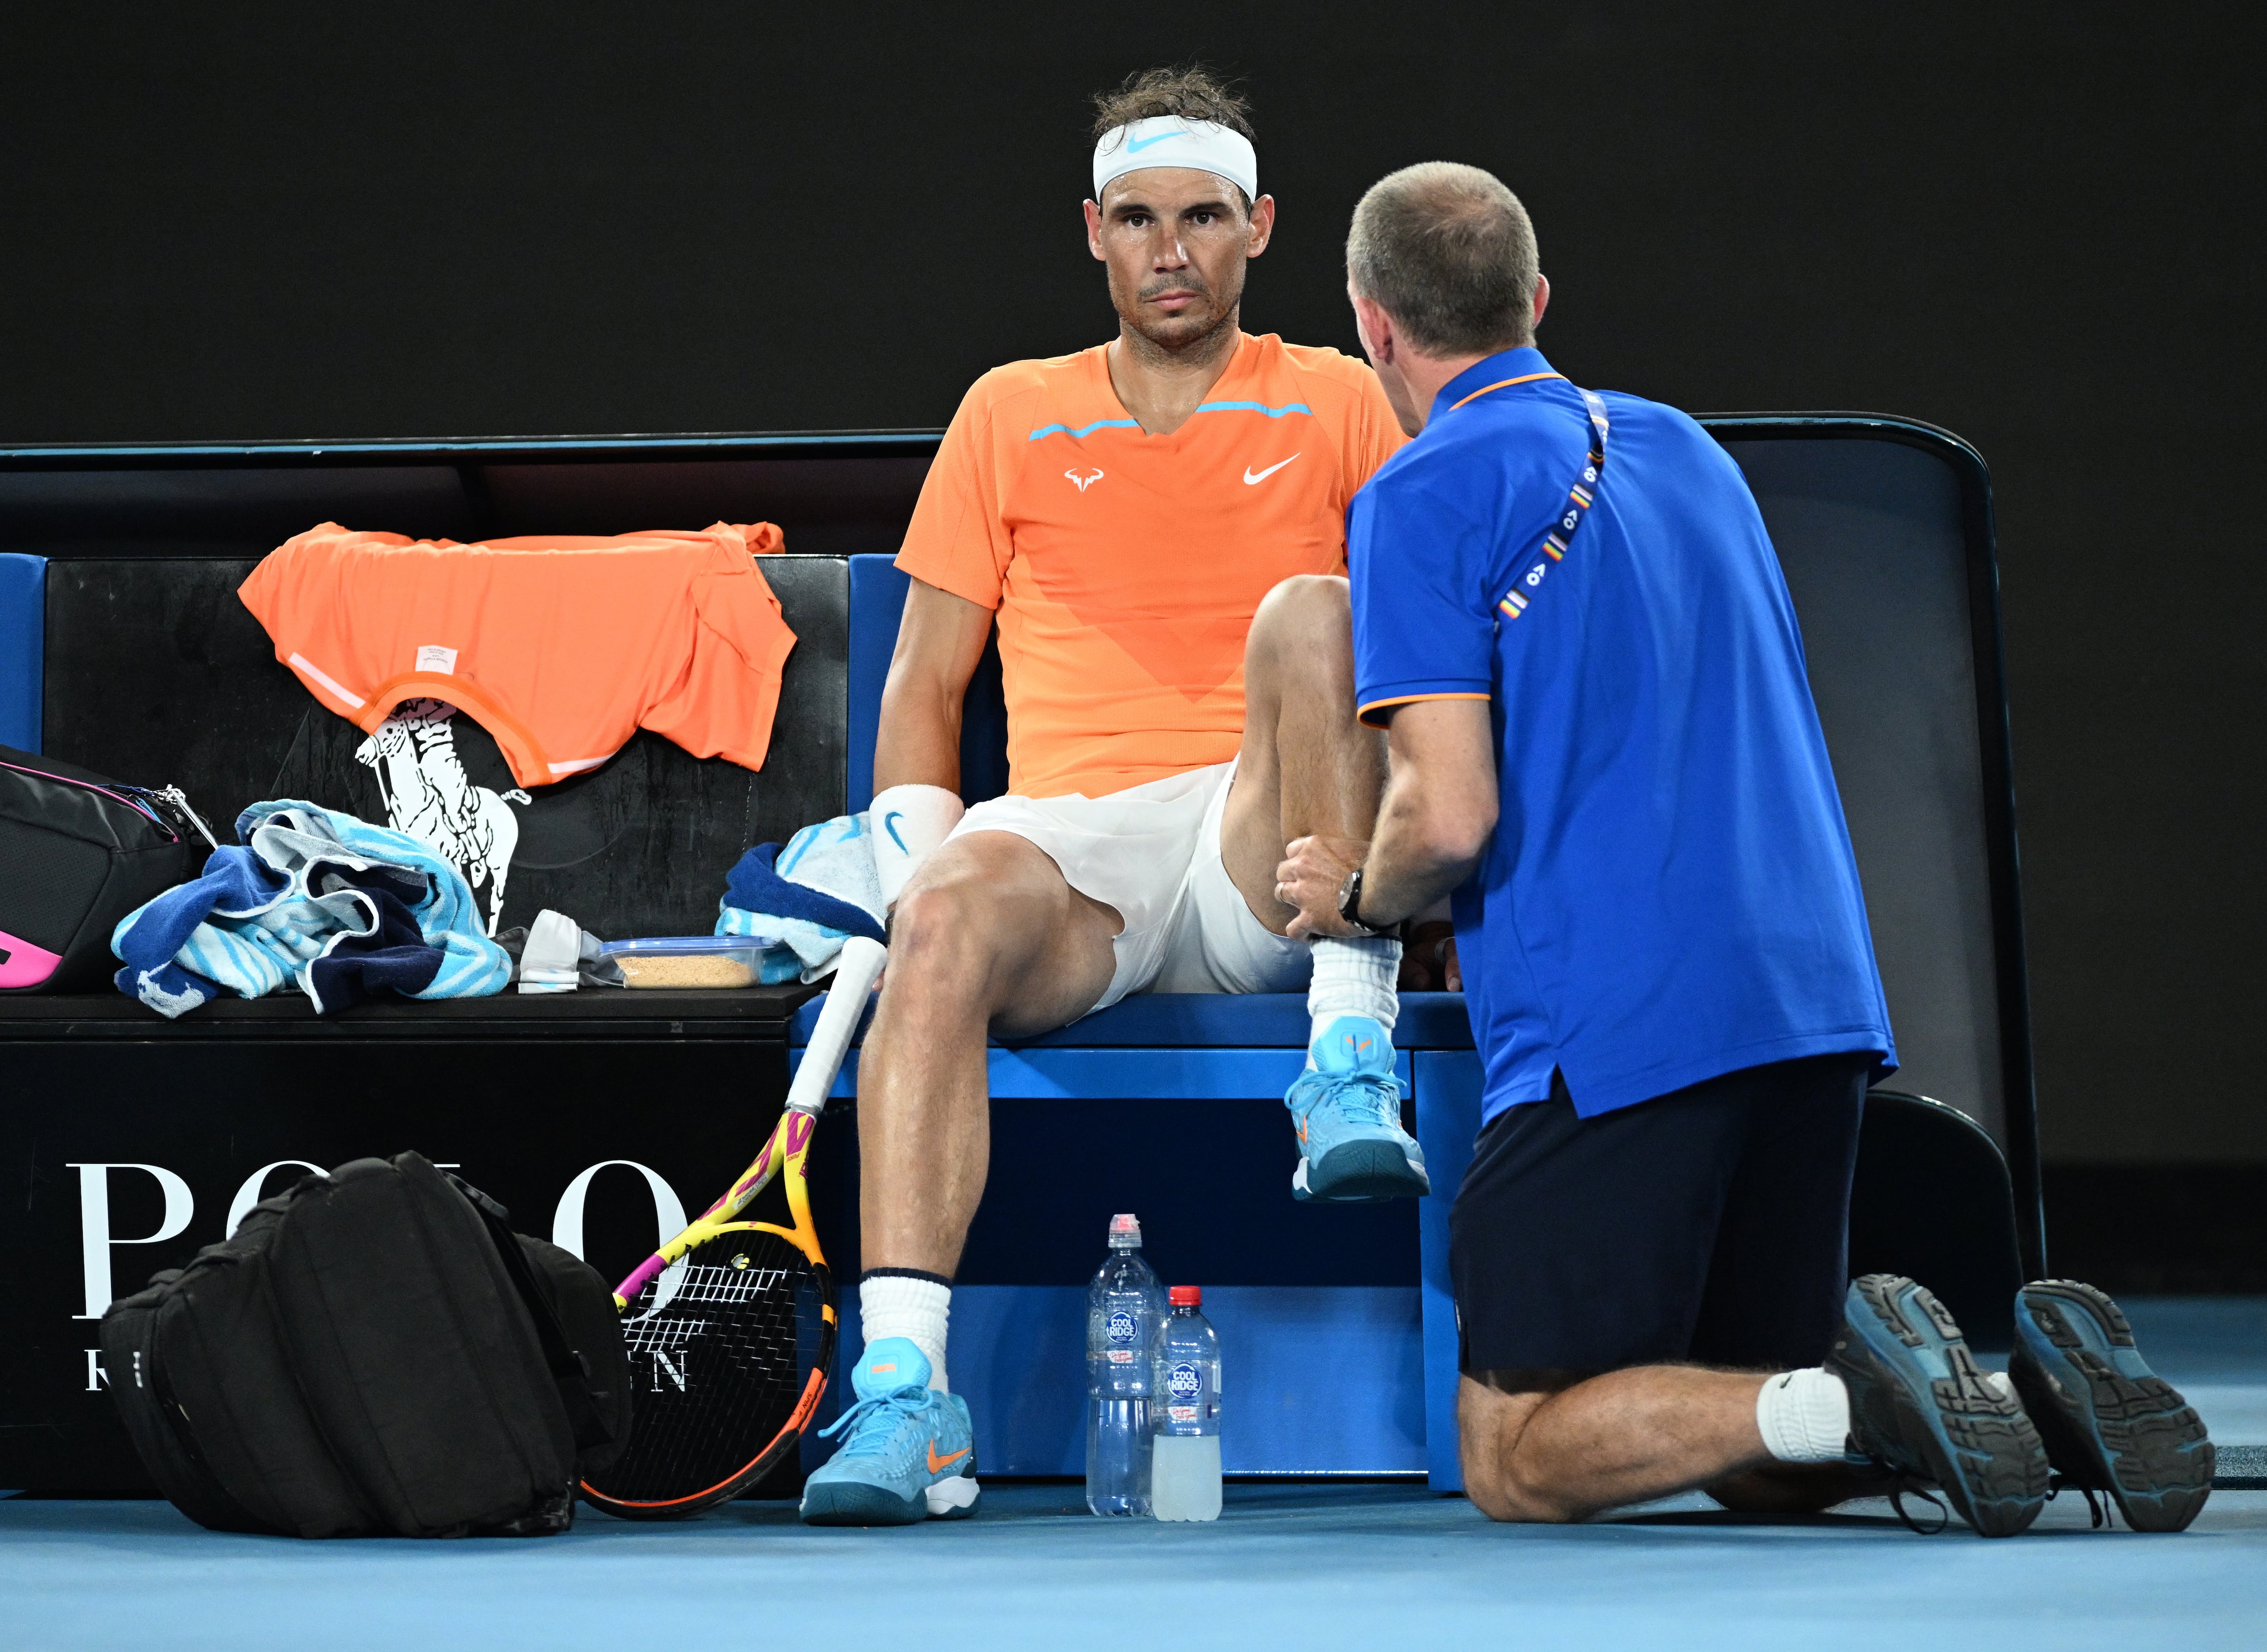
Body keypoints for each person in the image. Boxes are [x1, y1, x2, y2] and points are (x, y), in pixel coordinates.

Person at [1274, 161, 2215, 1537]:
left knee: (1517, 1453)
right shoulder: (1686, 452)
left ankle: (1866, 1399)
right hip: (1813, 1013)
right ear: (1534, 300)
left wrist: (1356, 894)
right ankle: (2028, 1418)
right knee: (1749, 1435)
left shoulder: (1423, 489)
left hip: (1623, 1030)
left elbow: (1449, 813)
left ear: (1373, 325)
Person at [797, 67, 1413, 1527]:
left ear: (1261, 228)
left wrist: (1414, 881)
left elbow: (1426, 650)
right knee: (941, 926)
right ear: (1093, 233)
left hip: (1272, 833)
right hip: (1077, 846)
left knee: (1319, 619)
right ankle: (905, 1392)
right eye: (1138, 219)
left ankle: (1347, 1047)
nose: (1172, 251)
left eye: (1204, 217)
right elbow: (921, 690)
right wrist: (908, 860)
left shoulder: (1337, 397)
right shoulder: (1009, 412)